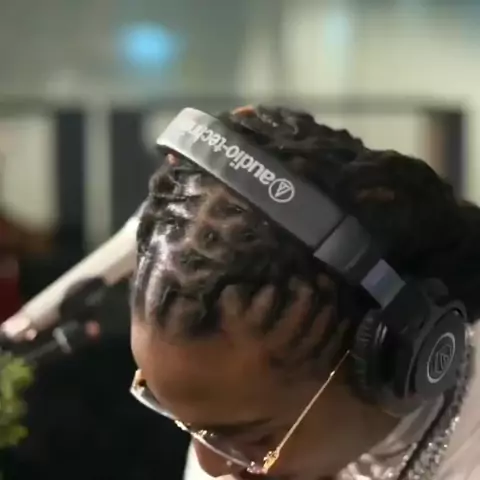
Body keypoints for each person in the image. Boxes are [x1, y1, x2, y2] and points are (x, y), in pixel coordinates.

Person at [129, 105, 480, 480]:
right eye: (187, 424)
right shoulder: (237, 421)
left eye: (257, 438)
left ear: (399, 360)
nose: (210, 467)